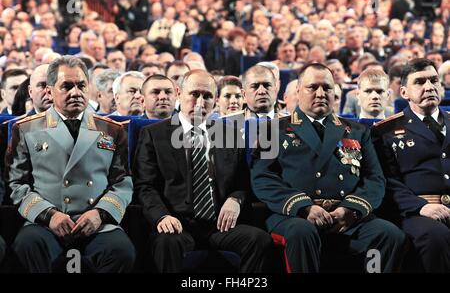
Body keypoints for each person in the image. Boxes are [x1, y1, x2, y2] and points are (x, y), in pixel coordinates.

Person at [251, 63, 405, 273]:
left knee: (388, 234)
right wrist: (304, 207)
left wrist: (351, 209)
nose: (321, 93)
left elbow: (374, 178)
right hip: (295, 215)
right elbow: (263, 177)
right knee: (301, 232)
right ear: (298, 91)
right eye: (312, 87)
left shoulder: (356, 131)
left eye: (327, 88)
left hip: (346, 216)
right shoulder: (273, 130)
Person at [133, 69, 273, 273]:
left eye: (207, 96)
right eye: (195, 94)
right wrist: (162, 217)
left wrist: (236, 199)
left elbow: (242, 183)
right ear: (179, 94)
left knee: (259, 240)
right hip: (176, 223)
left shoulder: (230, 134)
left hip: (220, 225)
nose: (200, 102)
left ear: (215, 100)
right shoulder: (154, 134)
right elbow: (145, 186)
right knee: (167, 242)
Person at [6, 56, 135, 273]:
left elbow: (123, 181)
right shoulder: (27, 129)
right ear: (50, 90)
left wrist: (100, 213)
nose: (75, 92)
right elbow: (16, 183)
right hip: (46, 223)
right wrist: (49, 215)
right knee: (27, 245)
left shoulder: (112, 129)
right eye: (66, 86)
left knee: (122, 251)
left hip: (96, 222)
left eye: (81, 85)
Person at [372, 58, 450, 272]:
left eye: (434, 80)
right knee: (436, 236)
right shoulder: (385, 131)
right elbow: (386, 180)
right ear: (404, 93)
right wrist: (420, 206)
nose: (429, 87)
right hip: (416, 211)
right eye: (420, 82)